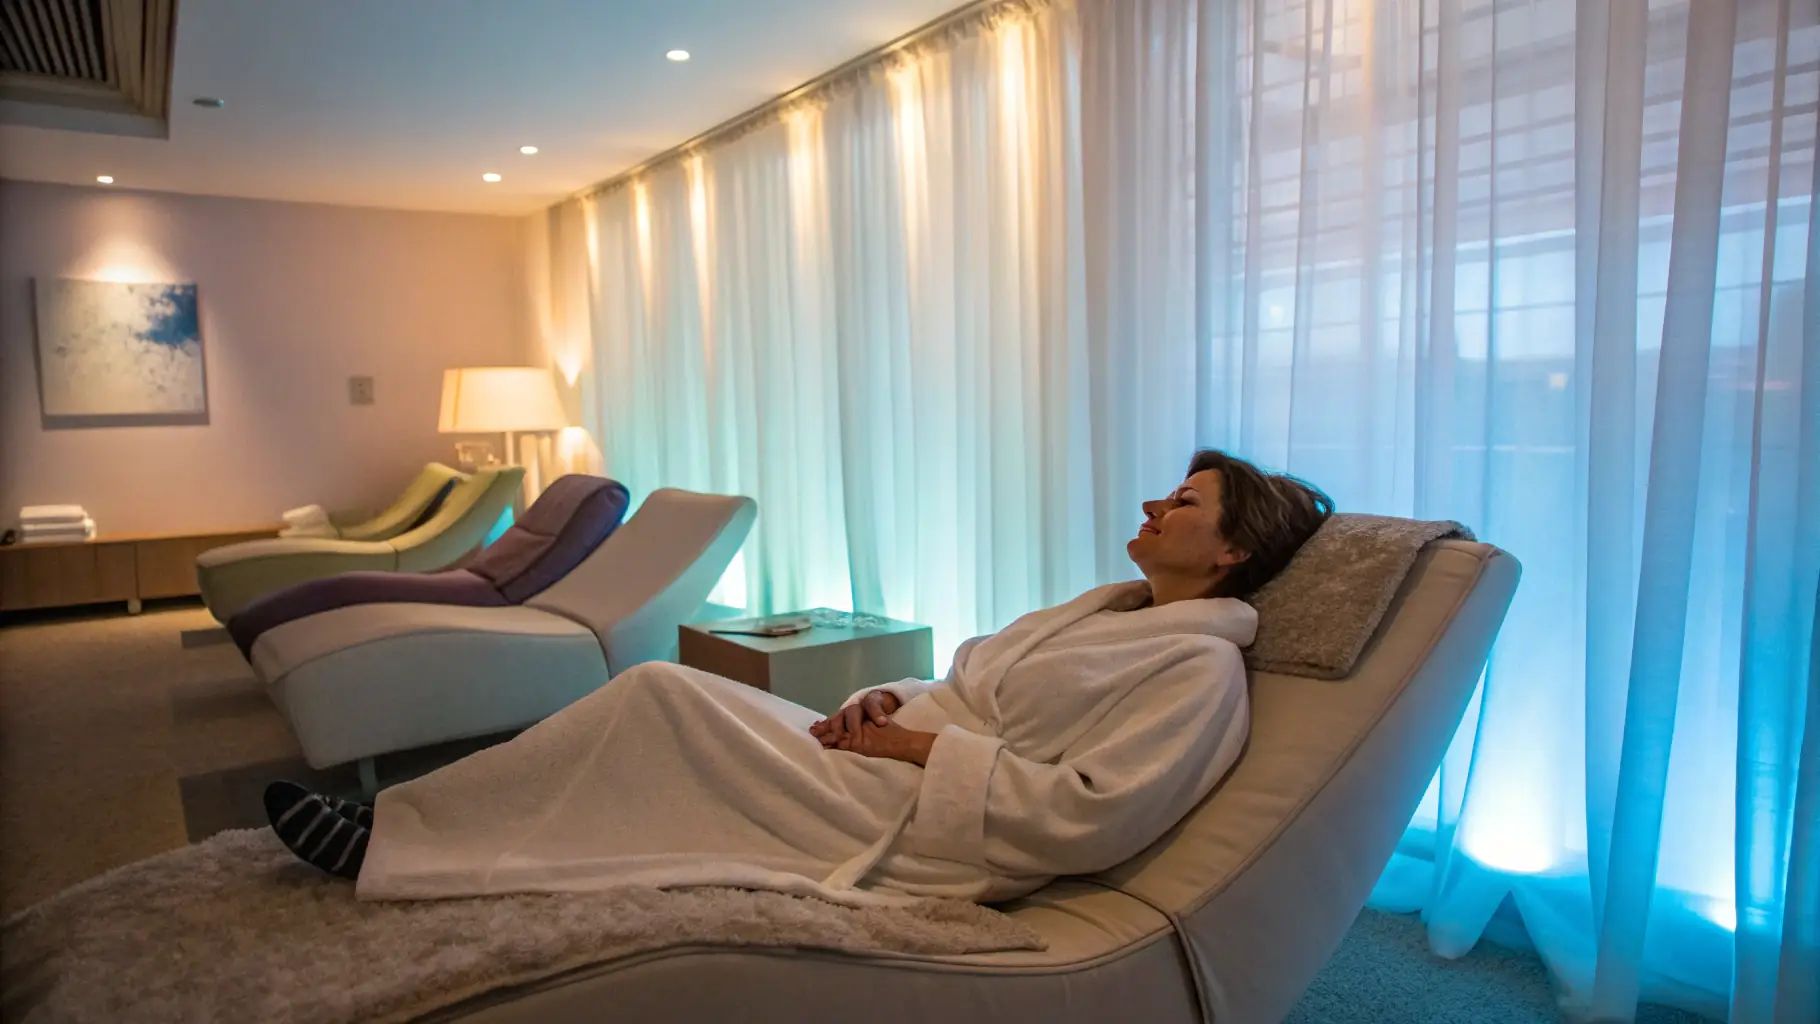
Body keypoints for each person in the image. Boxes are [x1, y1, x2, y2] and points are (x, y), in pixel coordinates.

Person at [264, 449, 1332, 906]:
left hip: (941, 832)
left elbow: (1091, 815)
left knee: (660, 698)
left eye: (1182, 504)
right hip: (897, 765)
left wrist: (918, 745)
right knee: (668, 712)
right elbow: (962, 683)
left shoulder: (1196, 675)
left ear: (1232, 552)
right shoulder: (1104, 610)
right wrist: (888, 700)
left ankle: (397, 839)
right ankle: (414, 829)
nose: (1153, 507)